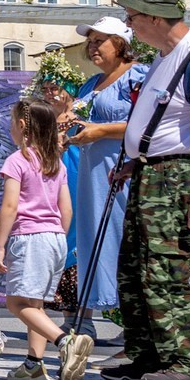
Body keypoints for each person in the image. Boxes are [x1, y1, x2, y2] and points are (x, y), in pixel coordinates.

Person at [92, 0, 190, 380]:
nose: (129, 25)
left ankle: (187, 363)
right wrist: (136, 161)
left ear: (154, 16)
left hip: (174, 178)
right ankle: (147, 355)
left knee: (165, 270)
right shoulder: (164, 57)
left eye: (132, 17)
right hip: (150, 173)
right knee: (134, 270)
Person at [63, 19, 146, 325]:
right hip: (91, 177)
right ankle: (117, 321)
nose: (93, 46)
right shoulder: (91, 84)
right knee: (97, 243)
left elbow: (150, 124)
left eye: (100, 41)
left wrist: (100, 131)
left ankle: (138, 326)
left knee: (125, 241)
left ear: (120, 44)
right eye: (91, 41)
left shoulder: (139, 77)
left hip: (122, 172)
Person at [0, 97, 82, 380]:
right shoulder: (56, 163)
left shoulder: (17, 160)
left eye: (12, 123)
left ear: (22, 126)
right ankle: (33, 364)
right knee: (35, 304)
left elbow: (10, 206)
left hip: (29, 238)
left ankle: (65, 340)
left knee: (16, 303)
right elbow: (66, 209)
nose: (10, 128)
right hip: (55, 238)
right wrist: (58, 236)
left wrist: (0, 245)